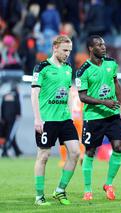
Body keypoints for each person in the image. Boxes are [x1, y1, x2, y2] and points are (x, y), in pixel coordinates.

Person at [76, 35, 121, 201]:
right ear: (91, 49)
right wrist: (103, 102)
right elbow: (82, 97)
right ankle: (87, 190)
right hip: (93, 117)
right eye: (99, 45)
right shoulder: (83, 70)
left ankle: (108, 184)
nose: (103, 47)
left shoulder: (111, 63)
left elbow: (116, 85)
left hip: (112, 115)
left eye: (104, 44)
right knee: (90, 152)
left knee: (119, 147)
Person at [31, 35, 80, 206]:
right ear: (55, 48)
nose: (67, 54)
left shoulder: (68, 69)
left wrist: (71, 113)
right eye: (65, 50)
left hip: (65, 119)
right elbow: (34, 94)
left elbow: (67, 92)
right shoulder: (42, 68)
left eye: (69, 51)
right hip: (47, 120)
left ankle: (60, 190)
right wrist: (37, 118)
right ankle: (39, 196)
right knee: (43, 156)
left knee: (75, 153)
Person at [1, 82, 22, 157]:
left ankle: (17, 151)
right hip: (13, 119)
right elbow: (18, 104)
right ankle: (5, 151)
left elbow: (2, 106)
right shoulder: (16, 95)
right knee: (10, 135)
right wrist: (19, 113)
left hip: (5, 119)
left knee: (9, 135)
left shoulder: (5, 95)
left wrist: (2, 117)